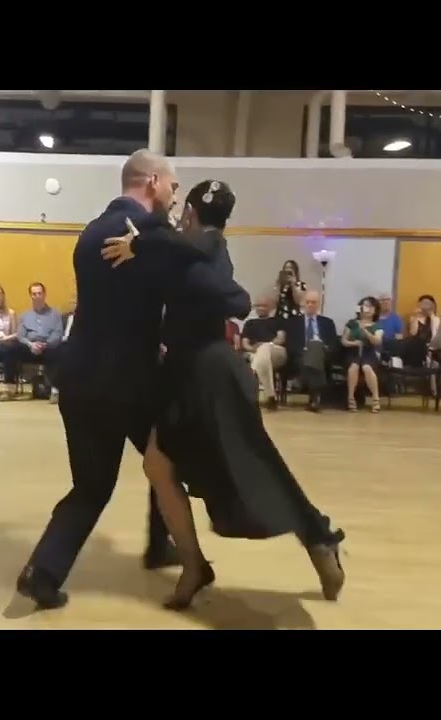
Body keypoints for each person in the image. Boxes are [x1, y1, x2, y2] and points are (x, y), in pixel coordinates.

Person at [15, 150, 246, 611]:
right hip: (134, 384)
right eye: (174, 187)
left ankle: (44, 571)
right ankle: (178, 552)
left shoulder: (90, 233)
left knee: (93, 486)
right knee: (169, 464)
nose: (177, 197)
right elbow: (214, 287)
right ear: (154, 182)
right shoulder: (155, 236)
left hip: (79, 379)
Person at [131, 180, 346, 609]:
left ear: (191, 212)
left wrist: (147, 245)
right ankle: (194, 567)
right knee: (160, 465)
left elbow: (236, 300)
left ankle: (318, 537)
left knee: (252, 465)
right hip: (185, 371)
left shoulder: (203, 249)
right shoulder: (195, 246)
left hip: (210, 373)